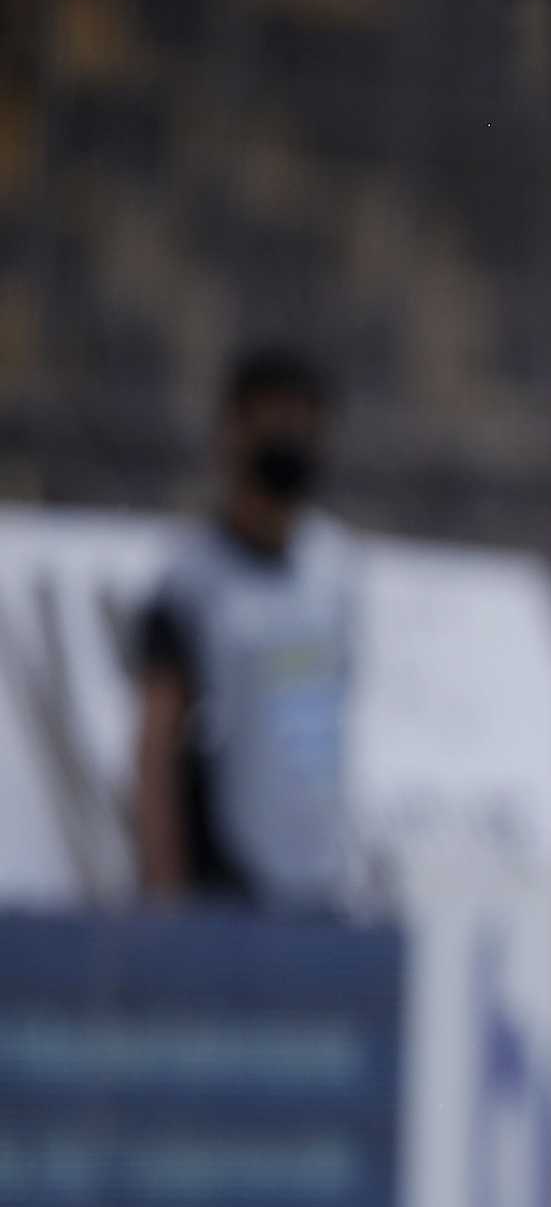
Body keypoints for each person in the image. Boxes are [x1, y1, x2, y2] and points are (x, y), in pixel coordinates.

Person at [134, 346, 356, 910]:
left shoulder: (335, 572)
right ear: (234, 434)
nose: (290, 443)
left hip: (318, 884)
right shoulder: (191, 585)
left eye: (304, 427)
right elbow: (156, 746)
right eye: (274, 424)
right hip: (227, 891)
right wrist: (165, 896)